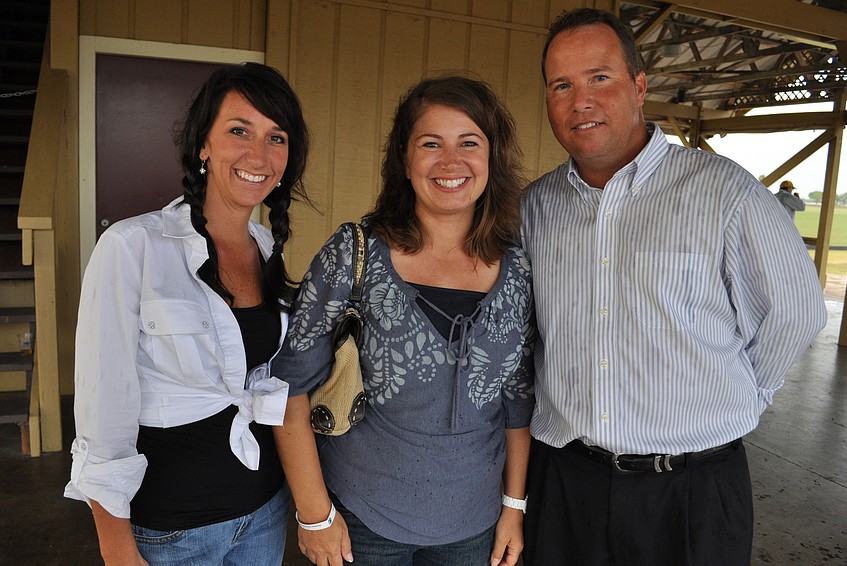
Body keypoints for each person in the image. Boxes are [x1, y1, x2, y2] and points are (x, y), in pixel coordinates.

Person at [520, 8, 828, 566]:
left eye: (600, 78)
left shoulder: (724, 192)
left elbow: (796, 311)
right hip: (566, 484)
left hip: (691, 492)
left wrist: (739, 398)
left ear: (640, 86)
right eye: (560, 85)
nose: (579, 101)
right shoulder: (536, 207)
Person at [271, 76, 535, 566]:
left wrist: (513, 507)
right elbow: (288, 391)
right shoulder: (353, 256)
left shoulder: (518, 269)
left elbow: (517, 401)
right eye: (430, 143)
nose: (451, 162)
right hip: (362, 520)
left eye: (469, 143)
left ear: (492, 158)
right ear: (405, 161)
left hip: (473, 524)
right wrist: (314, 515)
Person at [64, 62, 309, 565]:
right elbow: (102, 406)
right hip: (173, 531)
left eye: (276, 137)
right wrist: (116, 547)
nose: (258, 155)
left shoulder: (265, 248)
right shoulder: (132, 246)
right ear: (204, 144)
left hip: (263, 513)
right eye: (239, 130)